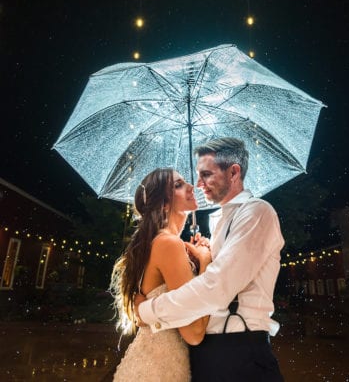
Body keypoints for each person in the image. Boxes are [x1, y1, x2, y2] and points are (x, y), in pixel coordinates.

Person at [137, 137, 285, 381]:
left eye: (206, 174)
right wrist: (204, 258)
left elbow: (216, 288)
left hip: (240, 353)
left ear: (234, 172)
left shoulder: (257, 212)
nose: (198, 184)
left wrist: (148, 311)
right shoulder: (219, 223)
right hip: (208, 353)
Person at [110, 167, 211, 382]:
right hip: (158, 371)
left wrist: (191, 262)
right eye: (179, 185)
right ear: (164, 205)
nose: (191, 187)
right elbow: (194, 333)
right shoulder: (168, 243)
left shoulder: (161, 242)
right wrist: (205, 264)